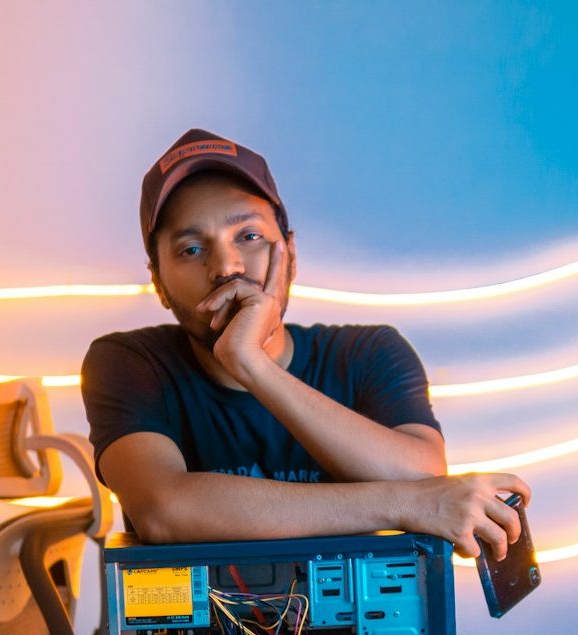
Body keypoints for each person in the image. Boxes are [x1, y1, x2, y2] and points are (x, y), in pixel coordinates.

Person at [81, 128, 529, 559]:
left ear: (290, 255)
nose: (227, 267)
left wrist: (253, 366)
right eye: (191, 249)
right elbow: (164, 511)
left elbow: (424, 478)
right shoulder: (127, 363)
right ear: (159, 284)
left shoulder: (369, 353)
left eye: (249, 236)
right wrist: (404, 504)